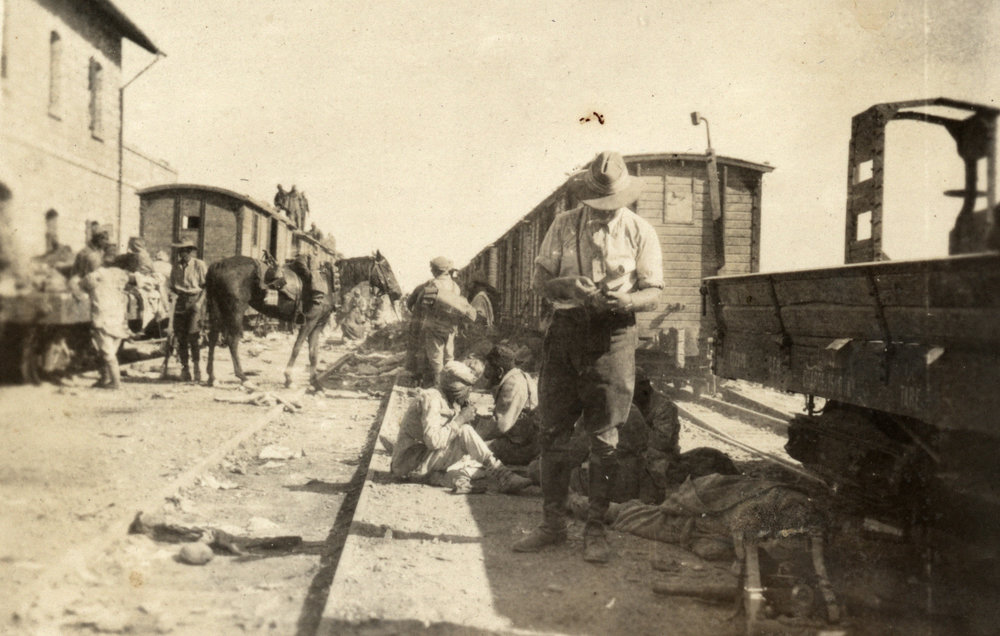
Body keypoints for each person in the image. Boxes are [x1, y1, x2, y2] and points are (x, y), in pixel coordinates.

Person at [512, 150, 663, 564]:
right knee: (553, 431)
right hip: (565, 334)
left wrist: (625, 300)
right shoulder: (562, 226)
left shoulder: (640, 231)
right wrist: (565, 286)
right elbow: (540, 281)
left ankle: (595, 530)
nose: (603, 212)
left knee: (605, 438)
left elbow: (654, 292)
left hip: (612, 336)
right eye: (597, 204)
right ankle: (552, 525)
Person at [390, 361, 532, 495]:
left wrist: (461, 415)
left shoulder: (445, 398)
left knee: (474, 455)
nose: (469, 394)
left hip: (420, 459)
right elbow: (433, 441)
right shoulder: (431, 399)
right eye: (467, 389)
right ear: (456, 388)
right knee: (465, 431)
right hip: (408, 464)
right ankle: (503, 475)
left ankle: (439, 477)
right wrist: (460, 419)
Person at [475, 344, 540, 466]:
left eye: (488, 368)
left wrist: (476, 435)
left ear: (500, 371)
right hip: (525, 440)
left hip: (524, 447)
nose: (486, 373)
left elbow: (501, 426)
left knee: (472, 447)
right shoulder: (518, 375)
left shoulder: (512, 384)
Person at [77, 263, 133, 390]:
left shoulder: (95, 275)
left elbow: (81, 285)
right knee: (111, 352)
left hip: (102, 317)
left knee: (106, 353)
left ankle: (115, 382)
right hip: (118, 318)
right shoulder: (120, 274)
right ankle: (106, 379)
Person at [410, 256, 463, 387]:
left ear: (435, 270)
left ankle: (438, 386)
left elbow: (425, 306)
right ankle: (451, 385)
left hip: (435, 326)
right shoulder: (455, 286)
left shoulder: (434, 284)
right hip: (451, 327)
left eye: (432, 268)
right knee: (449, 356)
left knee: (436, 358)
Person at [169, 240, 207, 382]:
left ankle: (197, 367)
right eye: (180, 251)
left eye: (184, 250)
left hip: (195, 301)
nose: (182, 253)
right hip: (180, 302)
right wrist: (172, 296)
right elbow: (172, 286)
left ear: (190, 251)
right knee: (181, 337)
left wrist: (199, 303)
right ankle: (185, 369)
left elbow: (206, 287)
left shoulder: (199, 265)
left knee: (193, 336)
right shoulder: (176, 266)